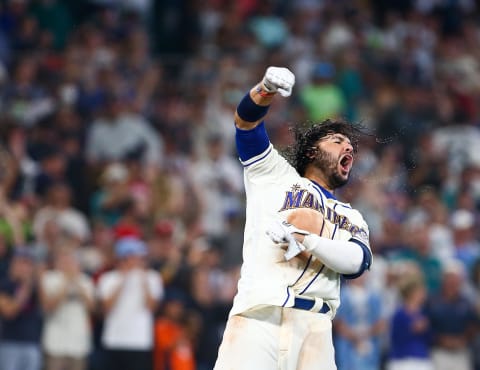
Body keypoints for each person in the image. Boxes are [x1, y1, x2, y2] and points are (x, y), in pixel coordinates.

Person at [213, 66, 372, 370]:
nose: (348, 146)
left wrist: (307, 240)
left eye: (350, 145)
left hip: (316, 328)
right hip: (259, 317)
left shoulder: (351, 216)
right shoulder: (274, 174)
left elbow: (356, 262)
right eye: (337, 140)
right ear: (312, 151)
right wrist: (265, 89)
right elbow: (246, 125)